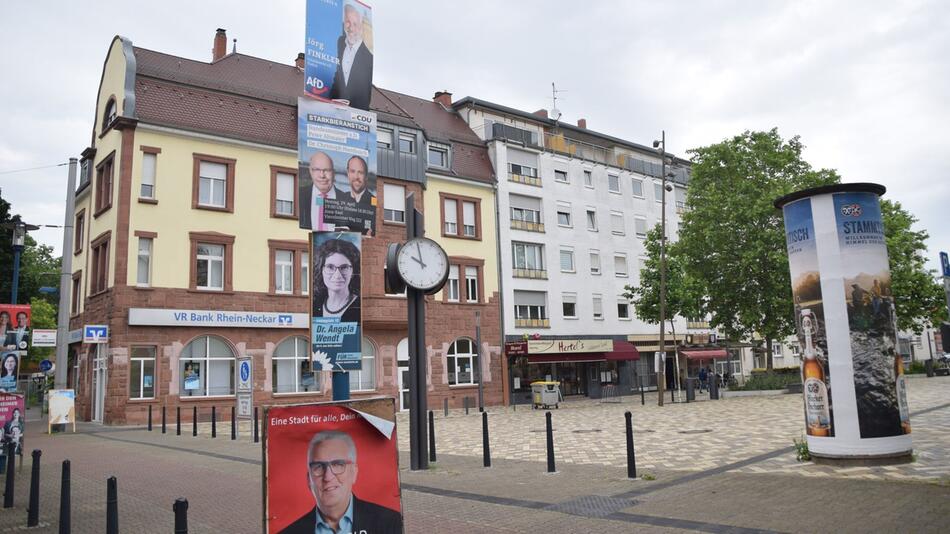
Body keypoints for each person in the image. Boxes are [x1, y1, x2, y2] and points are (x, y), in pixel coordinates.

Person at [280, 430, 402, 533]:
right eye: (318, 466)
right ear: (308, 479)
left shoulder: (390, 523)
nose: (328, 477)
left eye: (338, 464)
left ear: (354, 473)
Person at [329, 3, 373, 111]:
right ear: (344, 23)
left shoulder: (368, 57)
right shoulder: (340, 43)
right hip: (336, 109)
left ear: (361, 27)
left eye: (355, 24)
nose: (351, 28)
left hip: (356, 113)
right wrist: (329, 102)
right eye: (348, 22)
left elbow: (365, 91)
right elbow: (338, 75)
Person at [312, 239, 360, 323]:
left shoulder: (359, 307)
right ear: (321, 270)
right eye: (330, 267)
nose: (337, 275)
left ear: (353, 272)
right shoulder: (315, 305)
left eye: (344, 267)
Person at [299, 152, 347, 231]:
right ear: (310, 171)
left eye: (327, 170)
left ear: (333, 173)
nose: (322, 175)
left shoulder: (347, 200)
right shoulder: (300, 195)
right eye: (317, 169)